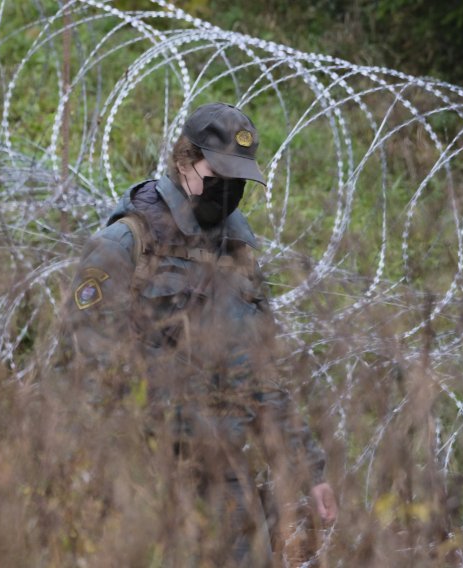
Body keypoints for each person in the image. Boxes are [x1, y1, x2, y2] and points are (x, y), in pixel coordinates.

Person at [64, 102, 337, 564]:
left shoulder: (239, 253)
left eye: (238, 181)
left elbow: (262, 378)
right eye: (219, 175)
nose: (228, 191)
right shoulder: (129, 243)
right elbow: (83, 366)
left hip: (224, 474)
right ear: (185, 161)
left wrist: (308, 470)